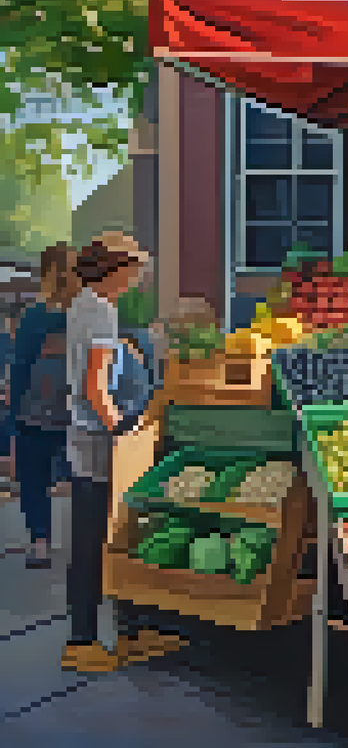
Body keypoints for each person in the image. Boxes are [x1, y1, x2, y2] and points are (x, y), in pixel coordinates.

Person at [63, 233, 183, 673]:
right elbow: (96, 384)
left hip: (92, 434)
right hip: (98, 440)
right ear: (117, 270)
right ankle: (83, 641)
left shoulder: (86, 305)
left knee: (119, 534)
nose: (140, 279)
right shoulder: (99, 312)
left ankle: (131, 630)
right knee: (97, 538)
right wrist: (121, 429)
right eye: (137, 270)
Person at [8, 244, 80, 569]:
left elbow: (20, 366)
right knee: (83, 478)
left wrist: (13, 411)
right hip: (77, 411)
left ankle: (40, 544)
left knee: (33, 479)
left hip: (35, 411)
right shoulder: (85, 312)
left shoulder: (34, 315)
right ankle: (87, 544)